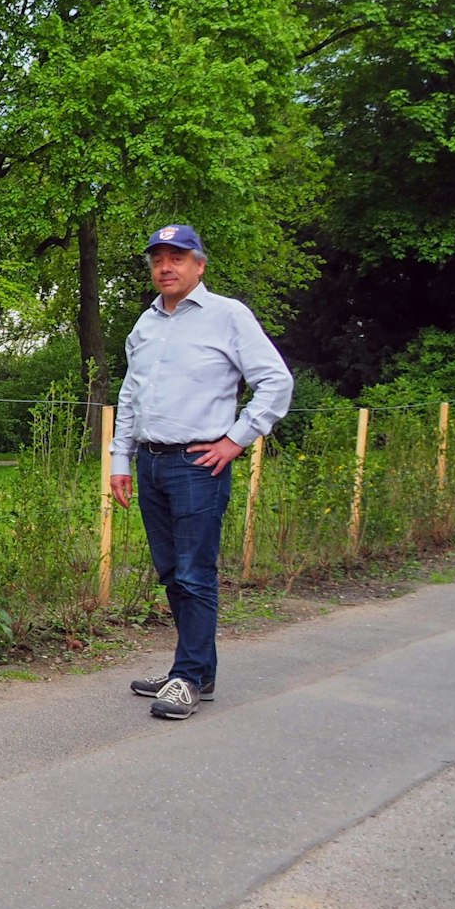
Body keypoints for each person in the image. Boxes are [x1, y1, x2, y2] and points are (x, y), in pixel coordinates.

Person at [109, 224, 292, 720]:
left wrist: (236, 439)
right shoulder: (144, 326)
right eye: (157, 260)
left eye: (177, 258)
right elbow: (130, 396)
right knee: (172, 573)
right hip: (150, 463)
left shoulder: (227, 316)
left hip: (197, 464)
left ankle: (188, 678)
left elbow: (275, 381)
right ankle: (195, 672)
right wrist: (120, 459)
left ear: (199, 265)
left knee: (195, 573)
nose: (165, 267)